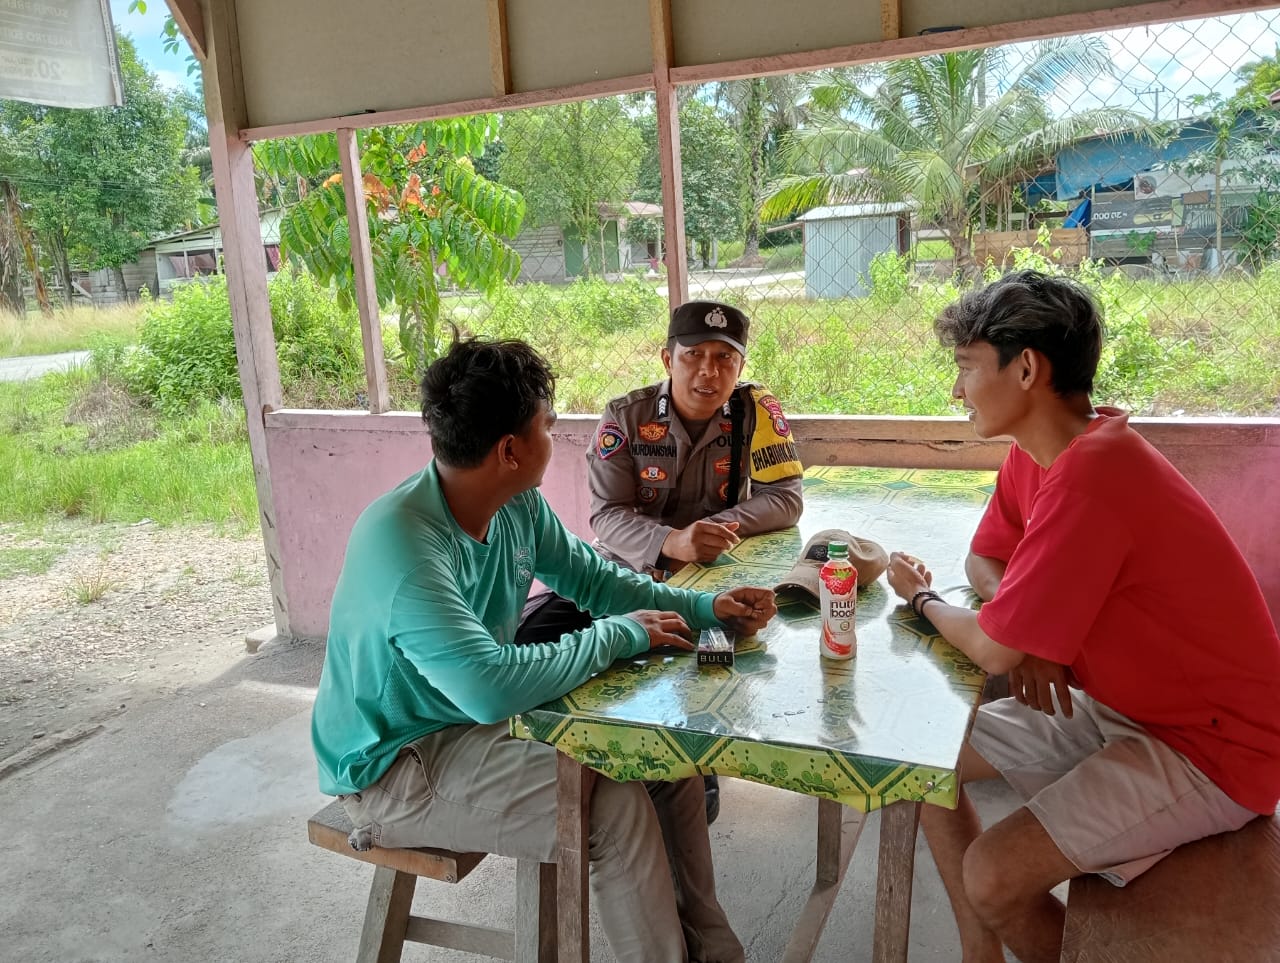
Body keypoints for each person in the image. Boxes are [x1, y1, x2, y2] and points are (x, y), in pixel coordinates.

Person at [311, 335, 778, 963]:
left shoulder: (514, 502)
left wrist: (703, 607)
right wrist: (619, 634)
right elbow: (489, 689)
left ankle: (714, 952)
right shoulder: (402, 544)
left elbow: (591, 577)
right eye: (547, 425)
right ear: (510, 450)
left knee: (668, 757)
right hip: (398, 765)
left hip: (474, 726)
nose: (554, 436)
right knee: (613, 808)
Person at [884, 270, 1280, 963]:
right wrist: (1028, 630)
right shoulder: (1045, 454)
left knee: (993, 872)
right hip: (1124, 708)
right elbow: (986, 562)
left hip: (1214, 749)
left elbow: (991, 644)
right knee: (916, 758)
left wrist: (923, 599)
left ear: (1027, 367)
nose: (956, 391)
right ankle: (983, 939)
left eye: (966, 368)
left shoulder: (1095, 473)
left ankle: (1018, 928)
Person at [515, 299, 804, 824]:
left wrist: (720, 530)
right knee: (533, 636)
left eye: (725, 358)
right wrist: (673, 541)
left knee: (710, 655)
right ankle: (564, 764)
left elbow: (786, 497)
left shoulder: (756, 413)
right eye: (694, 355)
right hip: (623, 575)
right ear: (668, 359)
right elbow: (606, 517)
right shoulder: (627, 417)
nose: (709, 371)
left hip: (711, 580)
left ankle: (695, 767)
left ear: (741, 366)